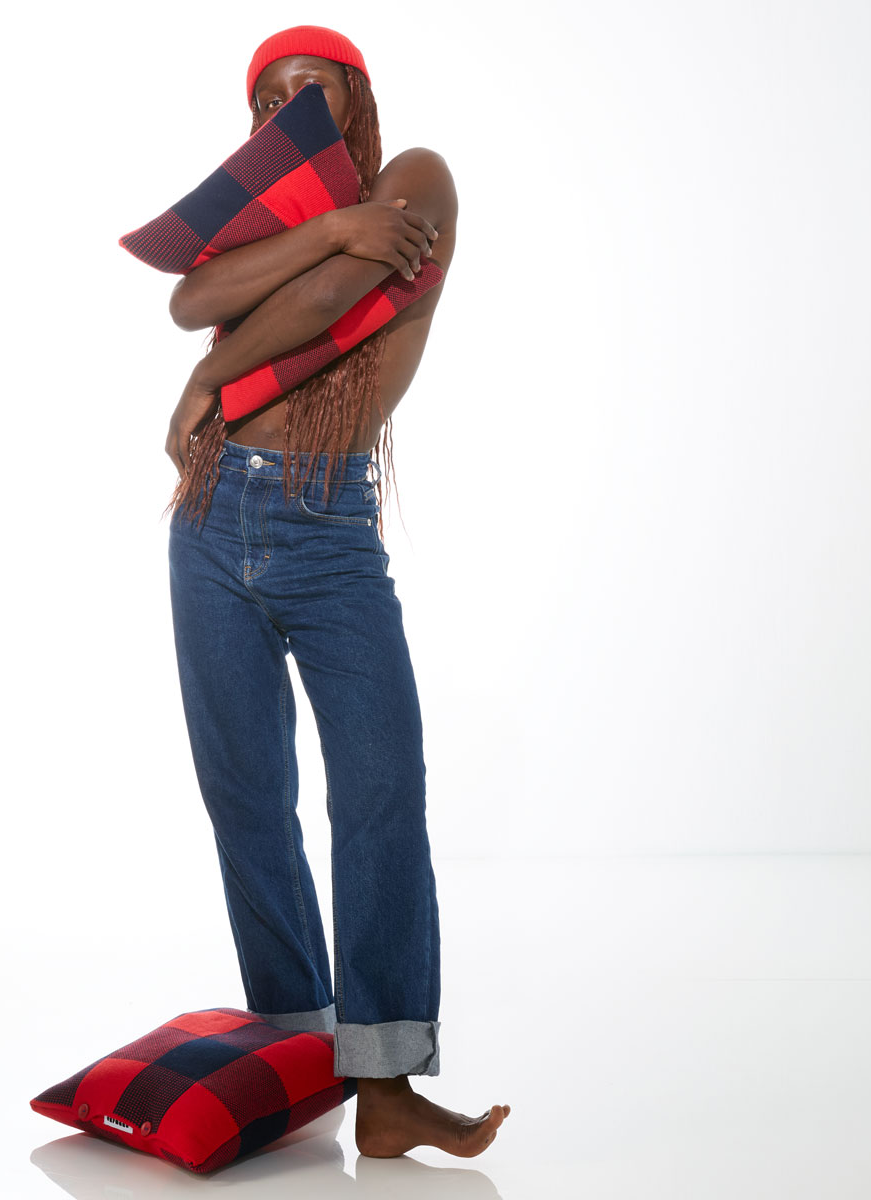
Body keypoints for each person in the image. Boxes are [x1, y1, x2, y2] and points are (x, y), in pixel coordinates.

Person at [161, 25, 510, 1159]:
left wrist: (213, 376)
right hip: (210, 517)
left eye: (309, 87)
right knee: (246, 796)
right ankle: (296, 1048)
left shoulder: (417, 179)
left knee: (378, 792)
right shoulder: (274, 216)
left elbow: (329, 300)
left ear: (355, 92)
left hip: (327, 525)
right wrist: (323, 227)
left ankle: (388, 1078)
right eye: (267, 101)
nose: (288, 111)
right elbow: (190, 295)